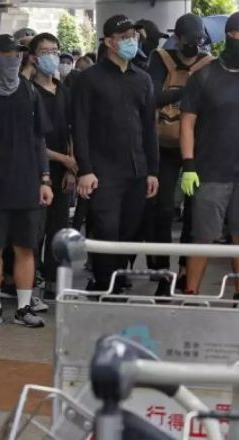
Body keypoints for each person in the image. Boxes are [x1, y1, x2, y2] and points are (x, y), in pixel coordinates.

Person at [179, 11, 239, 298]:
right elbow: (187, 121)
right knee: (203, 237)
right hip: (210, 171)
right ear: (230, 36)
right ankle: (192, 292)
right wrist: (188, 164)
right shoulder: (203, 76)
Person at [73, 15, 159, 292]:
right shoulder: (89, 79)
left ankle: (118, 279)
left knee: (128, 231)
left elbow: (149, 129)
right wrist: (85, 169)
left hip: (137, 170)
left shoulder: (143, 79)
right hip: (103, 171)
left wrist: (153, 171)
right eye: (124, 37)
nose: (130, 41)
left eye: (133, 36)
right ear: (109, 42)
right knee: (106, 230)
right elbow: (81, 128)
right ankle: (102, 283)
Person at [0, 34, 53, 328]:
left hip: (27, 184)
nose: (13, 60)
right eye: (6, 55)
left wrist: (45, 179)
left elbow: (39, 139)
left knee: (25, 248)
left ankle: (23, 307)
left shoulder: (30, 93)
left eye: (17, 54)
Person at [141, 12, 211, 295]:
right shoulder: (160, 59)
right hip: (165, 144)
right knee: (162, 209)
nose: (193, 45)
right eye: (188, 40)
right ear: (177, 38)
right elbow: (150, 97)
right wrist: (185, 92)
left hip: (198, 144)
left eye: (198, 40)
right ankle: (160, 271)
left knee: (195, 211)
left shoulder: (209, 63)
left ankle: (185, 270)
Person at [29, 33, 75, 299]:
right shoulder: (27, 91)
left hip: (63, 173)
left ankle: (53, 283)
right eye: (45, 52)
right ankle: (30, 285)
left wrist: (71, 167)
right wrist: (63, 159)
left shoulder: (64, 91)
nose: (51, 57)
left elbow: (73, 131)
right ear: (34, 58)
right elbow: (33, 142)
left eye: (55, 51)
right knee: (35, 231)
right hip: (36, 172)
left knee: (59, 229)